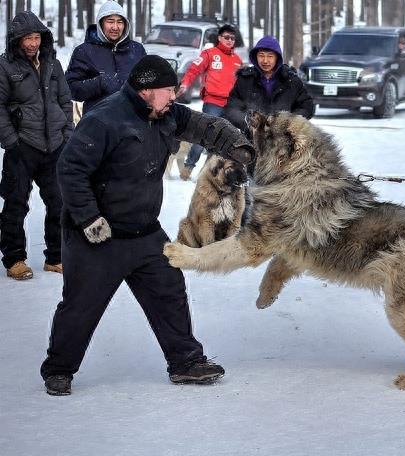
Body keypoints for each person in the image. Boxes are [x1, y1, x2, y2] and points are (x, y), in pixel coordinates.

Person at [40, 55, 255, 396]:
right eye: (169, 90)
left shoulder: (166, 114)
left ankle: (186, 362)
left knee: (169, 291)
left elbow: (205, 127)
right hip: (97, 237)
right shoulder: (104, 119)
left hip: (144, 232)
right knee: (81, 306)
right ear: (145, 91)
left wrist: (241, 147)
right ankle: (59, 369)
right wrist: (88, 219)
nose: (175, 96)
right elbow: (70, 171)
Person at [0, 11, 73, 280]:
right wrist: (11, 141)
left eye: (36, 37)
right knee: (16, 203)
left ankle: (55, 257)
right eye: (26, 38)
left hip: (54, 145)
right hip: (22, 145)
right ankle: (15, 259)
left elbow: (65, 102)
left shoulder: (54, 64)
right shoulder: (5, 66)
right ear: (16, 40)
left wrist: (67, 135)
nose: (32, 43)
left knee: (60, 202)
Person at [176, 24, 243, 181]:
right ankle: (188, 167)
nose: (229, 41)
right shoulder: (210, 54)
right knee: (204, 136)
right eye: (226, 37)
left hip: (230, 106)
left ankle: (209, 172)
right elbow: (193, 69)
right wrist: (185, 84)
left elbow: (241, 84)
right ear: (219, 38)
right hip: (212, 102)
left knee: (222, 140)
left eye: (232, 38)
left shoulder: (237, 60)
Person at [65, 0, 146, 113]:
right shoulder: (84, 51)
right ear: (101, 23)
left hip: (132, 121)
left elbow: (148, 83)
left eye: (120, 22)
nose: (115, 27)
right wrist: (99, 83)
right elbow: (69, 88)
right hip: (97, 122)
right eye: (110, 21)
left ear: (125, 24)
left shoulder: (137, 50)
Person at [223, 35, 314, 134]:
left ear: (277, 58)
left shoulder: (291, 80)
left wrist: (289, 122)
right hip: (252, 138)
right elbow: (232, 108)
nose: (265, 61)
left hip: (283, 139)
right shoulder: (245, 80)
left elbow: (307, 106)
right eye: (261, 55)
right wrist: (247, 122)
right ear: (255, 56)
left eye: (270, 56)